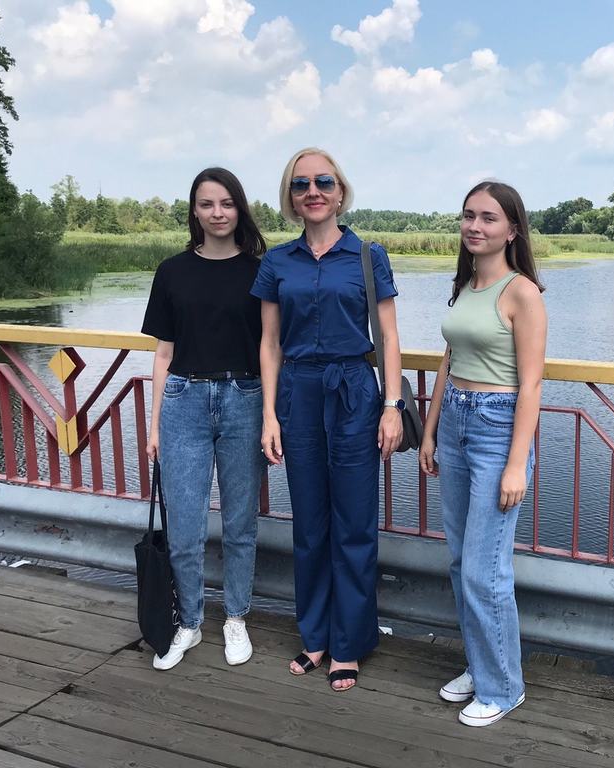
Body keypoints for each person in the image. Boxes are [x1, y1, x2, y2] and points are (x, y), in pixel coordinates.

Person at [252, 147, 403, 692]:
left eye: (323, 182)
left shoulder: (367, 256)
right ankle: (314, 634)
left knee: (355, 523)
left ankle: (349, 643)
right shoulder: (277, 262)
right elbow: (270, 343)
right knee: (311, 524)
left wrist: (392, 406)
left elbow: (389, 336)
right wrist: (269, 415)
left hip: (355, 391)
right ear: (291, 198)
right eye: (301, 184)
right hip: (298, 393)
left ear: (340, 192)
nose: (312, 191)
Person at [418, 181, 547, 726]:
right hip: (455, 423)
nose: (475, 226)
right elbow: (449, 361)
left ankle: (503, 687)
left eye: (489, 218)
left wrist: (517, 463)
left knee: (484, 570)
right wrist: (429, 431)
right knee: (460, 562)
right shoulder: (468, 283)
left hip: (497, 430)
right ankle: (481, 664)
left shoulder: (523, 293)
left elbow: (532, 384)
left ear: (512, 229)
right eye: (469, 215)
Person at [142, 167, 267, 671]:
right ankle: (189, 622)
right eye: (207, 204)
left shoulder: (261, 271)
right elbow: (162, 353)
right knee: (185, 525)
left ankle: (235, 617)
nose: (218, 213)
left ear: (240, 208)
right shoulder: (172, 271)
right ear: (194, 211)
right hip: (183, 399)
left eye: (227, 203)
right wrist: (154, 424)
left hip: (246, 398)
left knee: (240, 522)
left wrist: (272, 416)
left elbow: (273, 348)